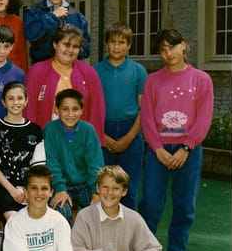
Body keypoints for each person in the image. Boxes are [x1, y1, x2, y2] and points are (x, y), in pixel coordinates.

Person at [138, 29, 214, 251]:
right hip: (158, 151)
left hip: (188, 152)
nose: (168, 53)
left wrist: (186, 147)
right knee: (150, 202)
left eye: (171, 47)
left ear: (183, 45)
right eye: (162, 50)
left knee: (184, 205)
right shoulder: (153, 80)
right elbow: (147, 118)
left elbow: (203, 118)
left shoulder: (201, 79)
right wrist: (157, 148)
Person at [72, 165, 177, 251]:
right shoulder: (84, 215)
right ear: (97, 188)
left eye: (116, 188)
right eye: (105, 187)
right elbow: (76, 250)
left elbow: (155, 249)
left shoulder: (133, 217)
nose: (109, 192)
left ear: (124, 191)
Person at [94, 23, 148, 209]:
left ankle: (128, 225)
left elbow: (144, 108)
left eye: (121, 42)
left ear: (129, 45)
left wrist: (130, 136)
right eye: (112, 42)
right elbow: (91, 109)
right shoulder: (96, 71)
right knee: (103, 185)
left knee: (129, 188)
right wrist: (102, 136)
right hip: (103, 129)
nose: (116, 46)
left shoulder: (138, 71)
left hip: (130, 129)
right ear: (106, 44)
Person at [24, 24, 105, 145]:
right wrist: (31, 142)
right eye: (66, 45)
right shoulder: (36, 72)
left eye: (75, 46)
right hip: (46, 138)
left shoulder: (89, 73)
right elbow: (29, 110)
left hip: (79, 139)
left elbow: (97, 111)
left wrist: (94, 144)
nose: (70, 50)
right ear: (55, 44)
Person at [43, 89, 104, 224]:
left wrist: (95, 192)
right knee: (62, 213)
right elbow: (51, 162)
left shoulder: (88, 130)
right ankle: (67, 238)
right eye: (65, 109)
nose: (70, 114)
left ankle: (88, 238)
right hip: (60, 184)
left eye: (75, 109)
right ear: (56, 110)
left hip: (85, 184)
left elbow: (95, 164)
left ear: (82, 110)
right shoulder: (50, 129)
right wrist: (60, 189)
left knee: (100, 211)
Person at [0, 82, 46, 225]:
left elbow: (37, 167)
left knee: (37, 221)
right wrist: (12, 190)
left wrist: (29, 189)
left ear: (26, 101)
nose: (16, 102)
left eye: (20, 98)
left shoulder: (35, 130)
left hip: (30, 188)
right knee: (15, 221)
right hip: (4, 189)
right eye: (11, 99)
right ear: (3, 102)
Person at [23, 0, 91, 64]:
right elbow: (31, 35)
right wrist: (52, 17)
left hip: (69, 68)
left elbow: (86, 49)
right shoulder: (33, 12)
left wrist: (69, 50)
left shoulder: (77, 16)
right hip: (42, 67)